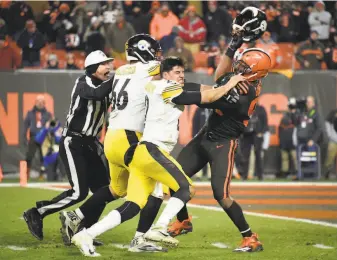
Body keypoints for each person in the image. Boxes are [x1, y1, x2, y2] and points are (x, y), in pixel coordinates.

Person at [71, 57, 246, 256]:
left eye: (182, 72)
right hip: (152, 151)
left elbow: (195, 88)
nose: (182, 76)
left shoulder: (155, 85)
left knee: (134, 205)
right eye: (177, 72)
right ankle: (159, 228)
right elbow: (204, 98)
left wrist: (215, 88)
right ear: (165, 74)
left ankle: (87, 234)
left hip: (142, 153)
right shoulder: (168, 89)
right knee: (186, 188)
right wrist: (230, 84)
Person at [138, 7, 270, 253]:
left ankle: (250, 237)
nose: (238, 68)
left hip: (223, 142)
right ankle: (183, 220)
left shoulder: (244, 93)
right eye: (239, 64)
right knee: (174, 181)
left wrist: (174, 89)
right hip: (206, 135)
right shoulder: (240, 81)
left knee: (221, 194)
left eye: (243, 67)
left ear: (254, 74)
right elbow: (221, 77)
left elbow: (207, 95)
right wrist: (233, 45)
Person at [59, 34, 166, 253]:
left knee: (116, 189)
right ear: (144, 51)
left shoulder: (120, 73)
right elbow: (168, 71)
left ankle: (75, 215)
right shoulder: (148, 69)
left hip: (111, 138)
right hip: (130, 138)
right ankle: (138, 239)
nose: (157, 56)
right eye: (154, 51)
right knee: (153, 188)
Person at [23, 50, 114, 242]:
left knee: (103, 191)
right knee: (79, 192)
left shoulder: (107, 86)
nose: (109, 68)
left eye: (109, 64)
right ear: (91, 68)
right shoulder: (83, 82)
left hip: (90, 143)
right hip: (73, 141)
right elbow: (96, 93)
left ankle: (83, 231)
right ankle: (37, 212)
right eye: (104, 64)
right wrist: (120, 78)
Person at [23, 95, 52, 180]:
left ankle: (42, 174)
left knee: (43, 157)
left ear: (44, 103)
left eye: (42, 101)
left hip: (44, 137)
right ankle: (26, 174)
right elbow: (25, 126)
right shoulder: (30, 113)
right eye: (38, 101)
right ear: (35, 102)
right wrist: (24, 137)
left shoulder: (48, 114)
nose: (40, 102)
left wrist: (49, 126)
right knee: (29, 156)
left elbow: (52, 125)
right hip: (34, 136)